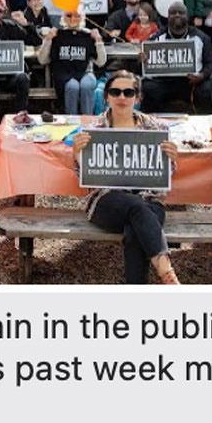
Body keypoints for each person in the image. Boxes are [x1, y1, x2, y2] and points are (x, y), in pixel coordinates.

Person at [71, 68, 181, 285]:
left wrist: (171, 159)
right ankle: (166, 271)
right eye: (115, 92)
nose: (122, 97)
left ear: (138, 97)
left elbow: (162, 175)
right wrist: (77, 155)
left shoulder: (156, 128)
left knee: (134, 232)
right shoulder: (93, 131)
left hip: (150, 201)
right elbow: (85, 178)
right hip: (107, 201)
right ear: (107, 96)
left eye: (128, 93)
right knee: (137, 207)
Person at [141, 4, 212, 112]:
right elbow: (146, 69)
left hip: (192, 83)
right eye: (173, 13)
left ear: (187, 16)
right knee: (148, 87)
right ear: (167, 17)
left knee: (207, 88)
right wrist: (143, 61)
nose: (177, 15)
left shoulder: (201, 37)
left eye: (181, 13)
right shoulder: (156, 38)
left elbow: (211, 62)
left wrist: (202, 75)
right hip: (165, 83)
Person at [0, 0, 39, 114]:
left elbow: (36, 41)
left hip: (9, 77)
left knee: (23, 78)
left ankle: (19, 114)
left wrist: (26, 24)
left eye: (0, 10)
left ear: (4, 12)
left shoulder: (12, 27)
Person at [38, 6, 106, 113]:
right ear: (63, 17)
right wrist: (47, 40)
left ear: (82, 17)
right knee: (72, 86)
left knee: (86, 85)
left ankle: (87, 120)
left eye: (77, 16)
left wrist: (98, 41)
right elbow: (42, 60)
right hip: (63, 73)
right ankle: (72, 119)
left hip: (85, 72)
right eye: (69, 15)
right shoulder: (56, 35)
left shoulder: (88, 35)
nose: (73, 19)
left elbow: (101, 62)